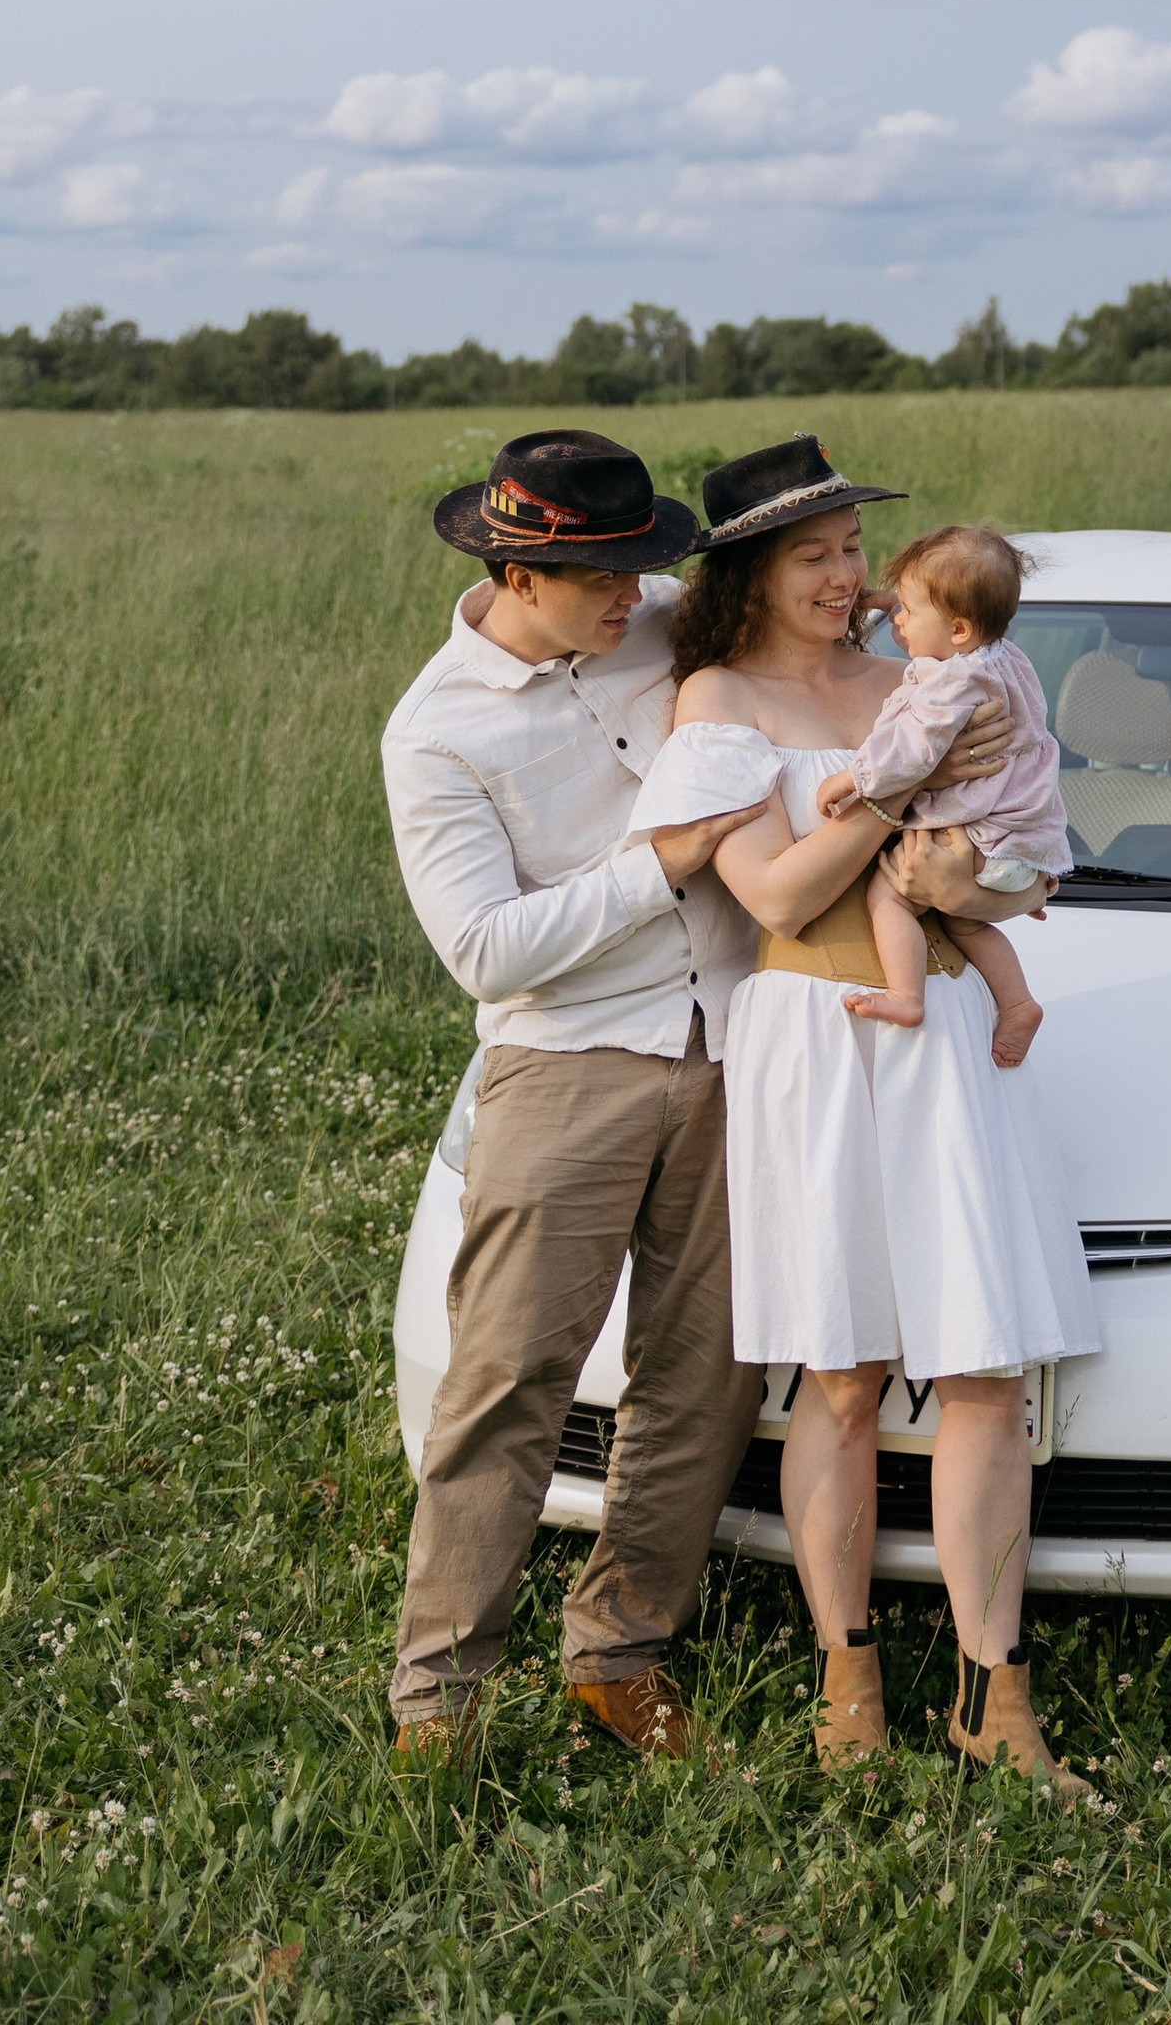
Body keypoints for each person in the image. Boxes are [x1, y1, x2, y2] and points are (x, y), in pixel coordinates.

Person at [379, 426, 1011, 1768]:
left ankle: (619, 1653)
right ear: (515, 569)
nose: (636, 596)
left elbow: (806, 630)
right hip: (570, 1064)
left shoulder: (670, 628)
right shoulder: (436, 730)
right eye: (606, 577)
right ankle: (438, 1702)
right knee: (509, 1377)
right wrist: (660, 862)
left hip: (744, 1051)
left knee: (704, 1380)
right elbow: (484, 950)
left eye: (646, 569)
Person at [626, 438, 1100, 1791]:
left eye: (852, 553)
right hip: (817, 1034)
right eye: (815, 556)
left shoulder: (926, 679)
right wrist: (896, 798)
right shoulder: (717, 696)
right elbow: (772, 895)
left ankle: (993, 1696)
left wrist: (991, 874)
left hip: (945, 1029)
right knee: (834, 1378)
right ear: (752, 574)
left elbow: (1004, 860)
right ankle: (849, 1675)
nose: (845, 579)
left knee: (983, 1376)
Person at [820, 522, 1070, 1061]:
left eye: (906, 611)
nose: (897, 620)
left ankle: (907, 997)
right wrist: (898, 597)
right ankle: (1019, 1001)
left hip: (976, 837)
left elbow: (913, 748)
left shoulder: (952, 684)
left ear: (957, 629)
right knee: (965, 921)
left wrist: (853, 778)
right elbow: (943, 612)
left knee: (887, 898)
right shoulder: (1003, 656)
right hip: (1019, 841)